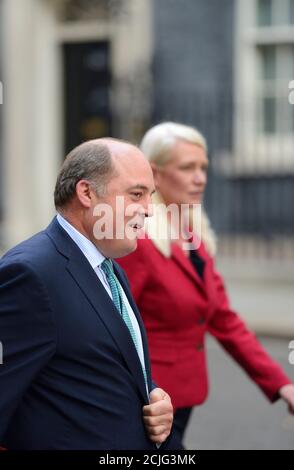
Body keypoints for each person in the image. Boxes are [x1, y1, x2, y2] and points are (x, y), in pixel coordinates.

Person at [117, 122, 294, 448]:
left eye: (203, 167)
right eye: (187, 167)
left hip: (182, 403)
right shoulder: (138, 241)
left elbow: (223, 319)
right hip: (148, 405)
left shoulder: (193, 234)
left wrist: (282, 385)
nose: (200, 177)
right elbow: (114, 327)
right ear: (154, 174)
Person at [0, 138, 176, 450]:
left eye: (150, 197)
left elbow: (105, 367)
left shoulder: (109, 266)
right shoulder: (30, 274)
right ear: (86, 193)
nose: (149, 211)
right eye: (136, 195)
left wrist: (154, 396)